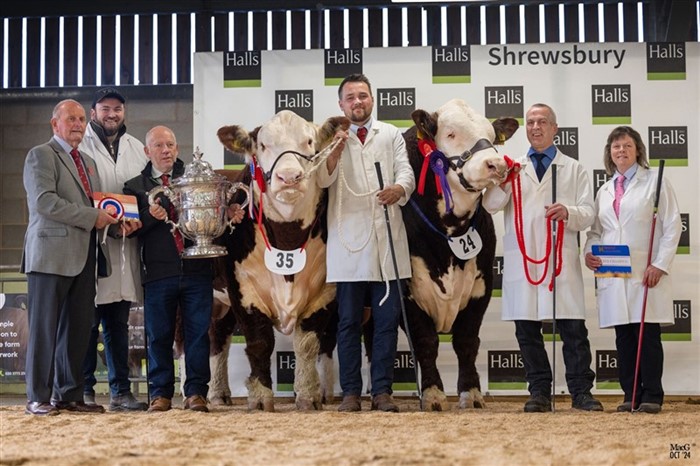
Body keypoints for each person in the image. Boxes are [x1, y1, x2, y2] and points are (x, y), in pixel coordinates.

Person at [483, 103, 603, 412]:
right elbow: (491, 206)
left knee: (573, 331)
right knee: (527, 330)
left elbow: (589, 213)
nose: (536, 127)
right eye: (531, 122)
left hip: (560, 261)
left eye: (543, 122)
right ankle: (538, 391)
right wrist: (500, 180)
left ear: (555, 129)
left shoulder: (573, 168)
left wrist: (568, 212)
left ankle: (580, 392)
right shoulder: (513, 167)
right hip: (523, 261)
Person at [123, 126, 245, 413]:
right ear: (147, 151)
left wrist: (227, 214)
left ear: (177, 149)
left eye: (170, 145)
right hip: (158, 273)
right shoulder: (134, 186)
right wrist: (151, 216)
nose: (166, 150)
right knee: (159, 336)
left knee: (199, 334)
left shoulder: (197, 179)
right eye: (159, 146)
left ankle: (196, 393)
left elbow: (215, 213)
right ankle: (161, 395)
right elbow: (130, 229)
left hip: (198, 270)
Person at [318, 73, 415, 413]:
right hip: (348, 245)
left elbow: (407, 172)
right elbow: (321, 178)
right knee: (347, 323)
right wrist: (335, 151)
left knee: (386, 323)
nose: (357, 102)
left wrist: (399, 189)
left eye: (363, 96)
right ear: (341, 104)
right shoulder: (331, 138)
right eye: (350, 97)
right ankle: (350, 393)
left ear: (372, 100)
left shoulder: (390, 134)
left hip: (387, 243)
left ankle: (382, 392)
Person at [21, 99, 119, 415]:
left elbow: (99, 207)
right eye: (70, 119)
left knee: (78, 331)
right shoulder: (41, 155)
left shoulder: (88, 162)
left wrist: (118, 220)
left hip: (85, 255)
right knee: (43, 330)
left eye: (80, 118)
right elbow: (45, 202)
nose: (77, 124)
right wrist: (94, 216)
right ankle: (38, 396)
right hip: (49, 255)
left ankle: (70, 395)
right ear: (55, 124)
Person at [584, 126, 681, 414]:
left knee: (646, 335)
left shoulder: (655, 182)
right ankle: (631, 393)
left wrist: (660, 264)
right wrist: (591, 253)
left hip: (645, 272)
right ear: (609, 153)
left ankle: (652, 394)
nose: (621, 151)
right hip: (614, 274)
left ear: (637, 150)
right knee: (624, 336)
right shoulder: (604, 189)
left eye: (627, 146)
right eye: (616, 147)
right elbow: (596, 231)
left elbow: (673, 226)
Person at [79, 87, 149, 411]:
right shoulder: (80, 148)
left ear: (124, 112)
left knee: (118, 326)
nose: (112, 114)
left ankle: (121, 392)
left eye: (117, 109)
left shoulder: (138, 149)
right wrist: (106, 222)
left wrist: (139, 221)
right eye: (105, 108)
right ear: (93, 112)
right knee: (88, 325)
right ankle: (84, 390)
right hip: (92, 249)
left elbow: (144, 195)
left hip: (126, 247)